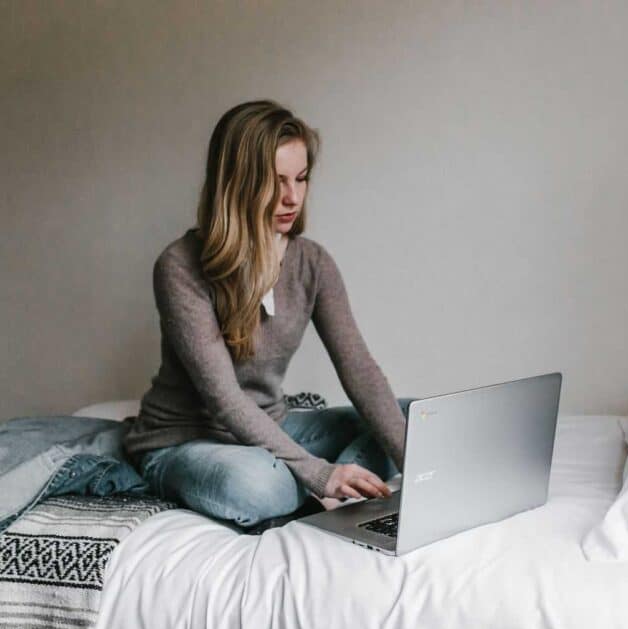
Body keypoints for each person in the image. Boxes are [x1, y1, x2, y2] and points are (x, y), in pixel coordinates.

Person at [122, 100, 411, 529]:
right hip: (186, 441)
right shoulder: (180, 266)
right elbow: (224, 400)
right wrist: (319, 472)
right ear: (237, 183)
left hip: (274, 427)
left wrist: (420, 465)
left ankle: (348, 492)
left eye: (301, 179)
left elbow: (360, 371)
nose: (292, 197)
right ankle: (326, 485)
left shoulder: (312, 262)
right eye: (275, 182)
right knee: (258, 487)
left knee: (413, 417)